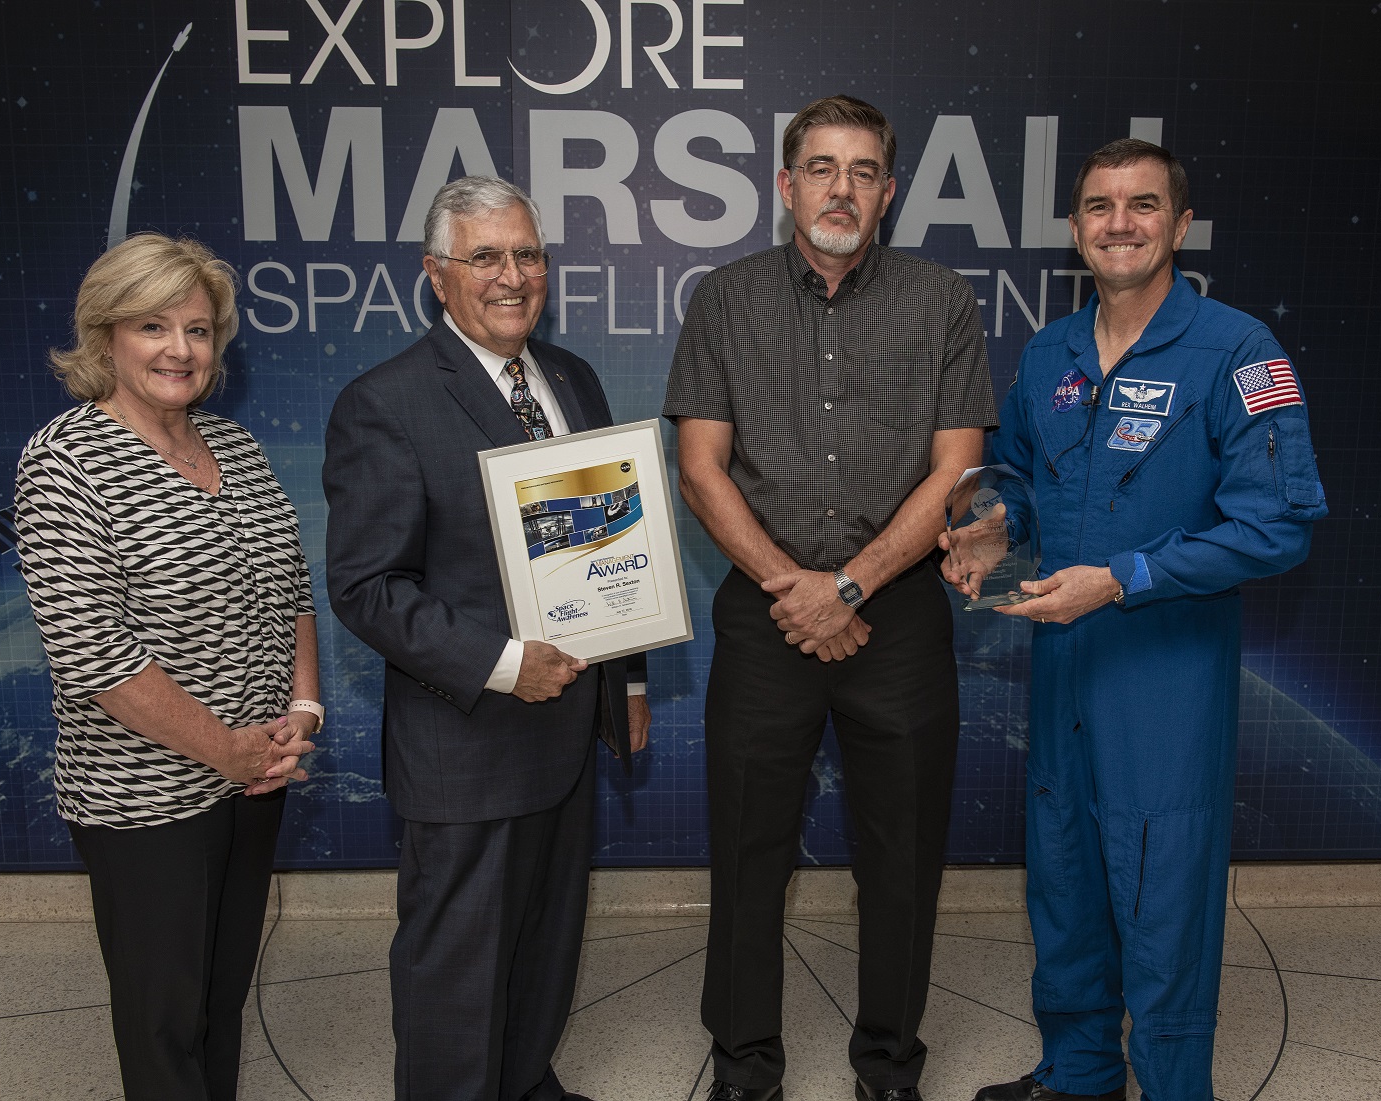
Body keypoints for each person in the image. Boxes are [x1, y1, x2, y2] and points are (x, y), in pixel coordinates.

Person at [944, 139, 1328, 1101]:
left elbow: (1279, 523)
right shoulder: (1051, 353)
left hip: (1164, 677)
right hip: (1065, 666)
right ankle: (1078, 1073)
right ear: (1075, 228)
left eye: (1143, 204)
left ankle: (1170, 1087)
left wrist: (1123, 578)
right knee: (1064, 878)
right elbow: (1029, 486)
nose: (1121, 222)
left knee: (1161, 897)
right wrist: (998, 531)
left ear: (1180, 224)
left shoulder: (1237, 352)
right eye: (1101, 206)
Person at [663, 95, 996, 1101]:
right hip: (764, 611)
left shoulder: (940, 300)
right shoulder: (724, 299)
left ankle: (887, 1062)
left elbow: (957, 470)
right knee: (747, 851)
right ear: (784, 185)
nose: (838, 188)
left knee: (902, 858)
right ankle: (743, 1063)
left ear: (887, 192)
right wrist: (793, 589)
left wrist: (846, 586)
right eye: (819, 167)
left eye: (861, 171)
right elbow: (697, 469)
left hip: (892, 615)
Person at [322, 176, 650, 1101]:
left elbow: (608, 541)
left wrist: (625, 681)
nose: (513, 275)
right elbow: (367, 588)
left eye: (528, 254)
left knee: (546, 941)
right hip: (464, 738)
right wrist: (508, 665)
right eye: (486, 257)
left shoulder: (573, 378)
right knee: (453, 970)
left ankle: (523, 1083)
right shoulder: (383, 402)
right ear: (436, 275)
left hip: (569, 727)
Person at [13, 233, 319, 1101]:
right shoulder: (66, 460)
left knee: (221, 1001)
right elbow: (92, 651)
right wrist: (220, 746)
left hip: (256, 778)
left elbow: (291, 587)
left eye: (198, 328)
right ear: (105, 335)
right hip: (145, 797)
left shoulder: (239, 448)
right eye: (153, 326)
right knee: (164, 1022)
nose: (180, 349)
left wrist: (303, 711)